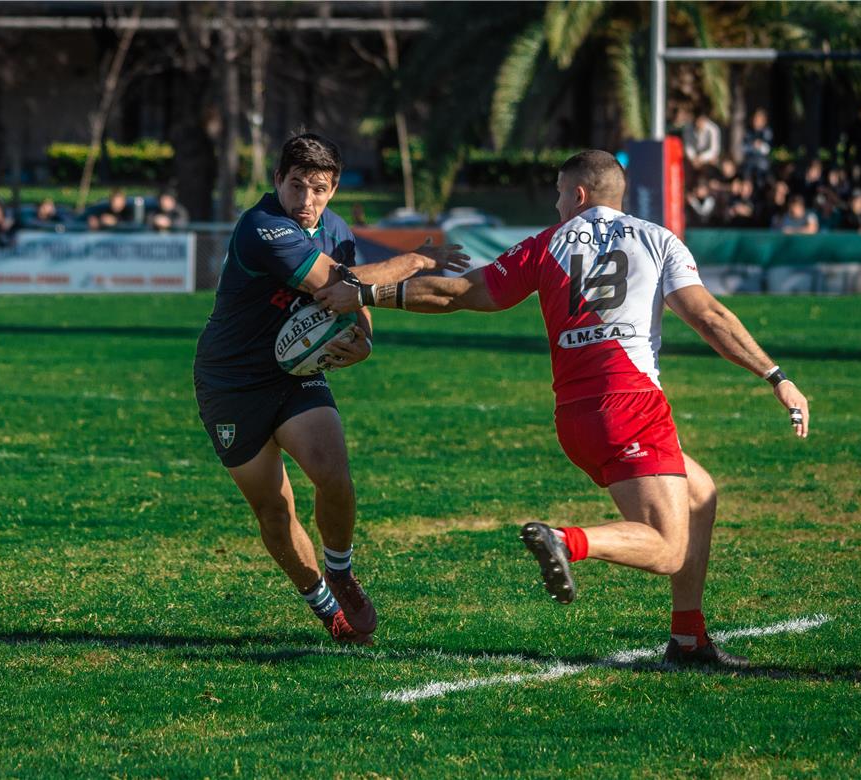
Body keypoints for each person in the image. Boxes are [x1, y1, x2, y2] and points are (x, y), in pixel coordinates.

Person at [317, 150, 811, 668]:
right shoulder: (657, 239)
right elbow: (708, 316)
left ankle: (688, 638)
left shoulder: (546, 244)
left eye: (558, 192)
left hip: (575, 418)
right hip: (631, 406)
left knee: (700, 494)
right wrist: (775, 376)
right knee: (668, 547)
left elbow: (461, 293)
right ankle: (565, 541)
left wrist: (369, 293)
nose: (556, 203)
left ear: (578, 195)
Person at [193, 133, 470, 645]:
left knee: (333, 473)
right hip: (230, 379)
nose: (305, 202)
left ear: (334, 188)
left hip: (293, 374)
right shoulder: (263, 227)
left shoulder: (335, 228)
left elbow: (353, 304)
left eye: (318, 189)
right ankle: (324, 606)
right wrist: (414, 260)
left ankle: (340, 571)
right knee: (275, 510)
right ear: (277, 180)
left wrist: (363, 339)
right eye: (295, 185)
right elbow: (330, 286)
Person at [740, 108, 773, 184]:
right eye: (754, 119)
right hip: (749, 165)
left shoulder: (767, 132)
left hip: (762, 166)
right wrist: (754, 146)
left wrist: (758, 146)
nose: (755, 122)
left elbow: (766, 150)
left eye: (758, 120)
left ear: (763, 121)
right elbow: (743, 148)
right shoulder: (748, 132)